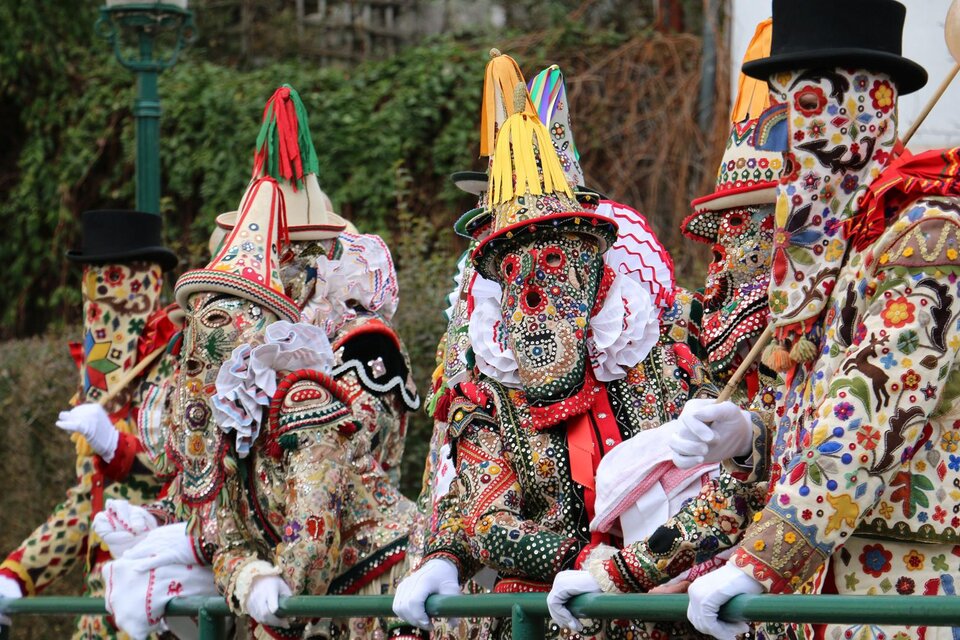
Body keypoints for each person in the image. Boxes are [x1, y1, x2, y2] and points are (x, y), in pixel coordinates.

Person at [679, 2, 960, 639]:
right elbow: (826, 406)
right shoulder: (845, 248)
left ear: (864, 108)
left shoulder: (927, 237)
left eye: (809, 111)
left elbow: (874, 409)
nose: (796, 150)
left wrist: (762, 562)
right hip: (824, 584)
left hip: (903, 588)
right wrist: (752, 434)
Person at [546, 19, 781, 629]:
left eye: (754, 226)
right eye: (727, 230)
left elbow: (766, 488)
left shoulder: (804, 330)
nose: (731, 250)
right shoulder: (685, 330)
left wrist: (614, 572)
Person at [0, 210, 180, 640]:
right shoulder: (98, 387)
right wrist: (18, 572)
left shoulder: (177, 366)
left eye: (114, 280)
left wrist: (115, 444)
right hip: (102, 613)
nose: (101, 304)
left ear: (148, 282)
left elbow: (186, 473)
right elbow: (88, 504)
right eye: (93, 284)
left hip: (166, 607)